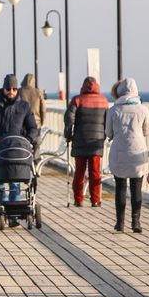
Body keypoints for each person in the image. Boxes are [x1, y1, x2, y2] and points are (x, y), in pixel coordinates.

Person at [0, 74, 40, 219]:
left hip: (17, 148)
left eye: (14, 89)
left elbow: (33, 127)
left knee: (15, 180)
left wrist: (28, 140)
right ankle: (2, 206)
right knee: (0, 179)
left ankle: (13, 213)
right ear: (4, 88)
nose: (11, 92)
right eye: (8, 88)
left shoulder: (24, 106)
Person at [106, 78, 149, 233]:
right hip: (137, 152)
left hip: (119, 152)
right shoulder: (143, 109)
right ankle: (136, 222)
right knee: (136, 188)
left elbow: (108, 133)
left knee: (120, 187)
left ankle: (120, 223)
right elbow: (147, 132)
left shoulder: (113, 110)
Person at [64, 77, 110, 208]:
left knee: (79, 172)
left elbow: (68, 119)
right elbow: (107, 122)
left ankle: (78, 199)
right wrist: (104, 136)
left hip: (80, 140)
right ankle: (95, 200)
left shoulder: (77, 100)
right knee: (95, 172)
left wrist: (68, 135)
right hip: (96, 143)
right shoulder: (103, 101)